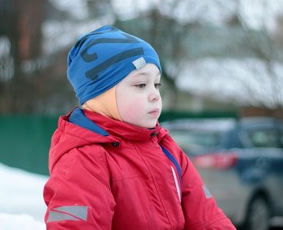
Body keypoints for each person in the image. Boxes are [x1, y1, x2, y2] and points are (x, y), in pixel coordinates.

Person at [43, 25, 236, 229]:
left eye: (157, 84)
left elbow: (208, 218)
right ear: (101, 94)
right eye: (141, 85)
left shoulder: (167, 149)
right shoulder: (84, 158)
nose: (154, 94)